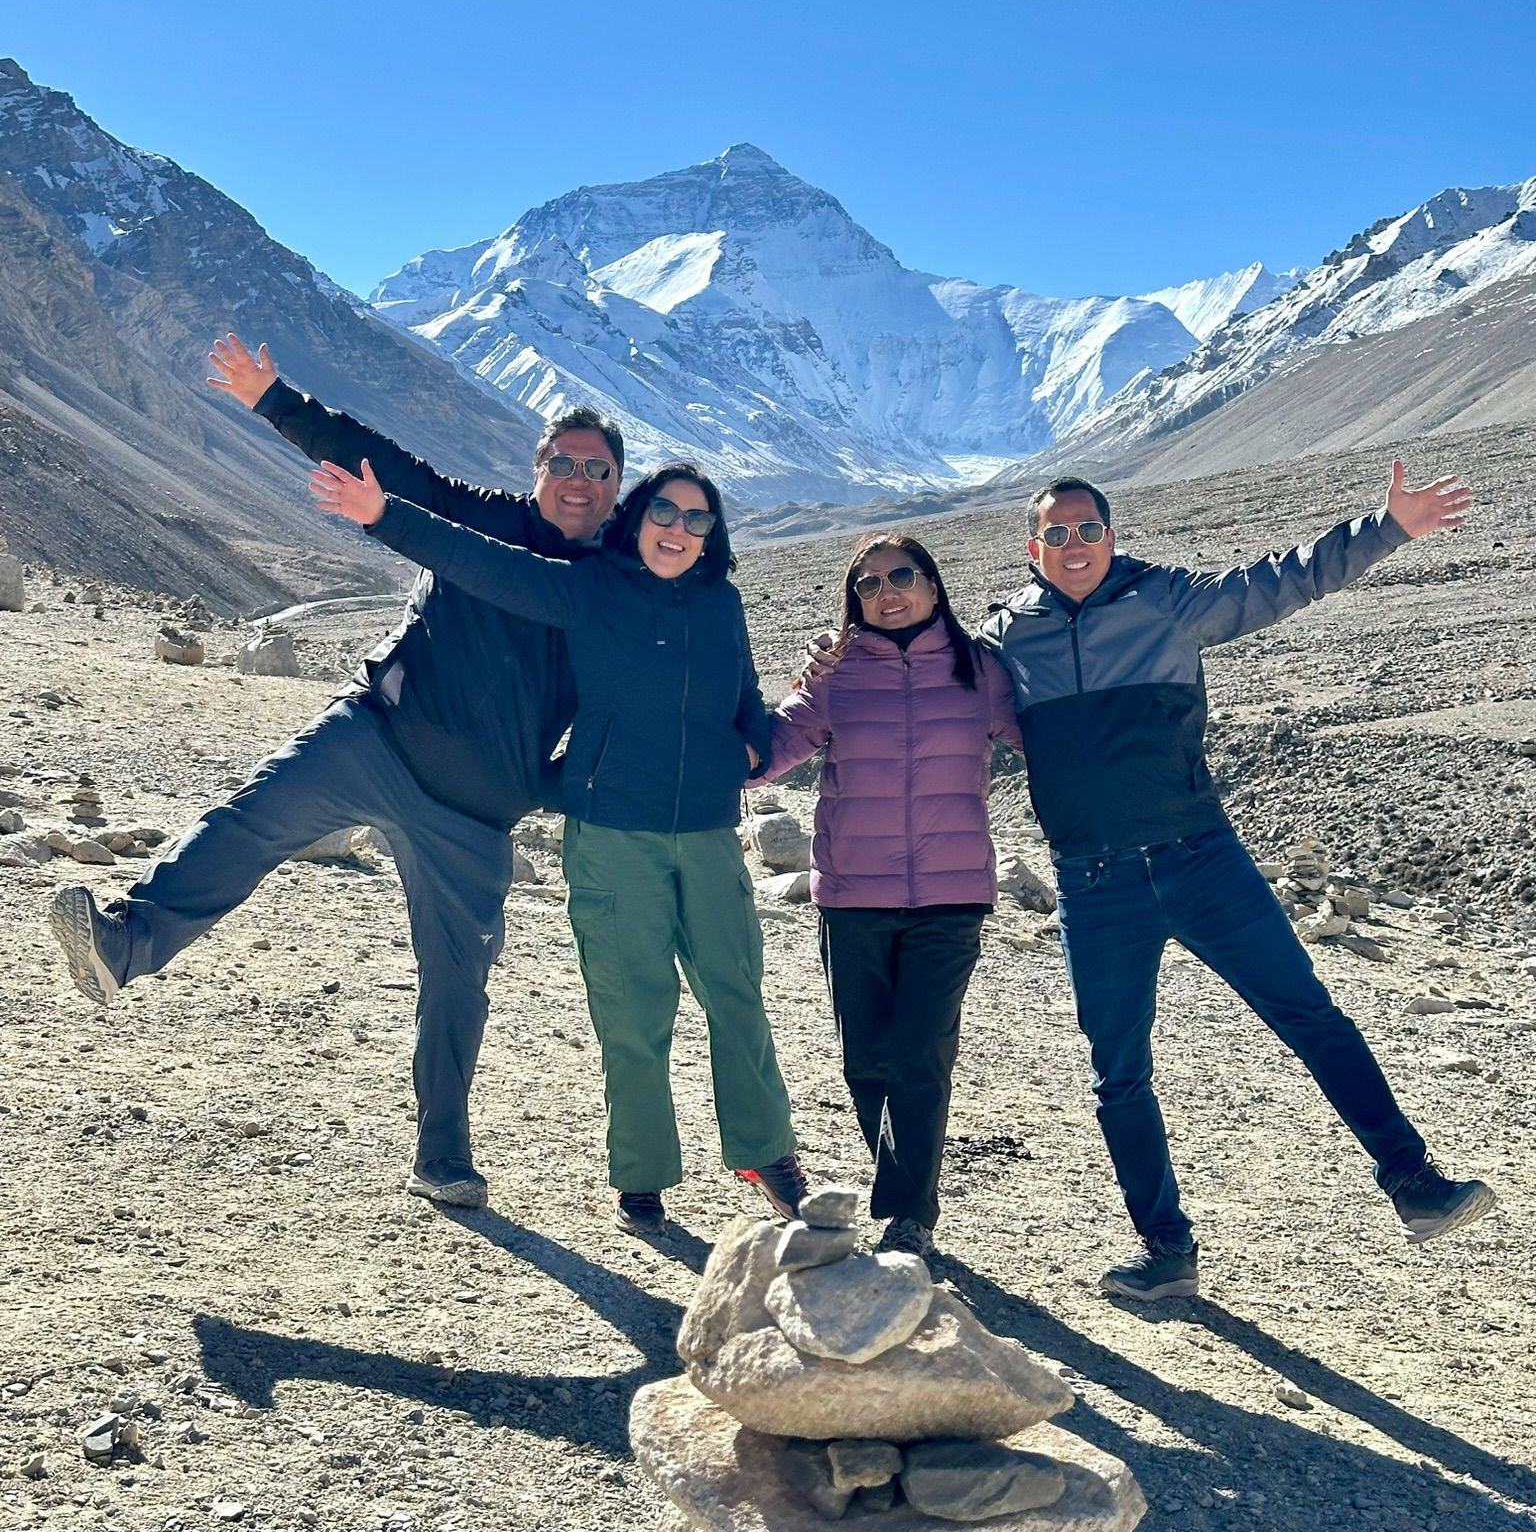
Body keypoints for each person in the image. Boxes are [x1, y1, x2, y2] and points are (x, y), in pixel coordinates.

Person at [49, 332, 623, 1211]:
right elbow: (386, 466)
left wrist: (547, 787)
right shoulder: (481, 517)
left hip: (475, 814)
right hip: (379, 739)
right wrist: (275, 398)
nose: (579, 480)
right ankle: (126, 942)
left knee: (456, 984)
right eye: (565, 462)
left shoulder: (618, 585)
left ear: (617, 488)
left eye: (598, 469)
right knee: (253, 818)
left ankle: (443, 1155)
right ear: (536, 468)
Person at [976, 461, 1496, 1299]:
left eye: (1089, 529)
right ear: (1033, 547)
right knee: (1118, 1071)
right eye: (1057, 533)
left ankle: (1413, 1181)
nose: (1074, 545)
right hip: (1094, 882)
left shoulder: (1166, 601)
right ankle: (1165, 1252)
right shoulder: (1006, 636)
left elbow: (1278, 582)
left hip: (1198, 857)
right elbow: (924, 681)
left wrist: (1388, 525)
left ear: (1112, 535)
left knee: (1308, 1013)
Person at [311, 451, 805, 1234]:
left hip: (709, 836)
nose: (678, 529)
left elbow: (747, 697)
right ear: (637, 521)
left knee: (736, 997)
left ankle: (765, 1153)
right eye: (664, 513)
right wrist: (385, 517)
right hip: (612, 838)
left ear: (712, 537)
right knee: (633, 1009)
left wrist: (744, 751)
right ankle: (641, 1172)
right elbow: (483, 564)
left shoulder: (722, 606)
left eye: (697, 518)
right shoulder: (588, 590)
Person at [764, 534, 1022, 1261]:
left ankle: (910, 1213)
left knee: (922, 1054)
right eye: (867, 585)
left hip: (950, 893)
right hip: (853, 896)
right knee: (865, 1061)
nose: (887, 591)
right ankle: (901, 1182)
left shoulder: (982, 671)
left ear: (934, 587)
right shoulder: (835, 675)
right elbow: (770, 753)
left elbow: (1049, 739)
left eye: (901, 576)